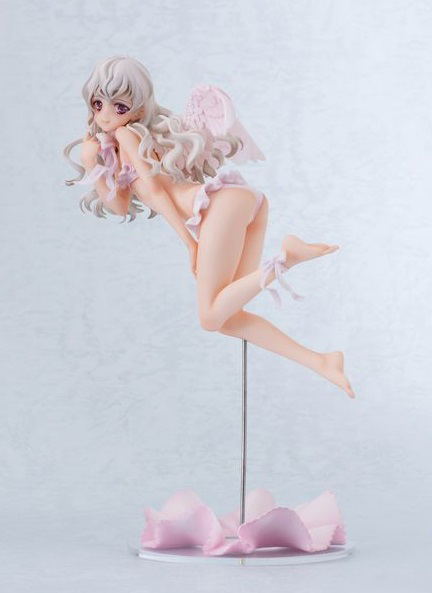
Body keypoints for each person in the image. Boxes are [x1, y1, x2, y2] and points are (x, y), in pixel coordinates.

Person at [64, 55, 355, 398]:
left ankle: (287, 259)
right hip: (242, 203)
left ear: (138, 109)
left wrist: (191, 244)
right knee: (229, 318)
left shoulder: (127, 135)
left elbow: (156, 192)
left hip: (220, 206)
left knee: (210, 317)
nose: (105, 115)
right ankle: (322, 361)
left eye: (120, 106)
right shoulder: (121, 144)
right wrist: (92, 162)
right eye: (98, 104)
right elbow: (120, 206)